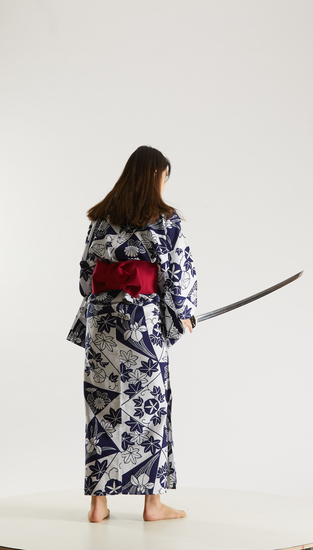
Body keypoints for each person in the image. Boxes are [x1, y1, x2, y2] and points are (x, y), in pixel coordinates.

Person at [67, 145, 197, 522]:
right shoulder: (165, 221)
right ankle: (152, 505)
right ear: (156, 177)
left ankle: (98, 505)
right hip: (142, 322)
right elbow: (178, 274)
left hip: (103, 323)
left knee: (103, 406)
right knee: (149, 409)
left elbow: (84, 277)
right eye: (164, 176)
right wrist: (184, 313)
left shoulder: (100, 219)